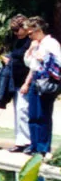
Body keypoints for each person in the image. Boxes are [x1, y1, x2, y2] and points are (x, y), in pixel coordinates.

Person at [20, 16, 61, 156]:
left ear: (38, 30)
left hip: (46, 80)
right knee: (33, 114)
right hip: (36, 79)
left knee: (43, 114)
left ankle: (43, 147)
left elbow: (58, 62)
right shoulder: (36, 44)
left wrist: (43, 58)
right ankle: (34, 144)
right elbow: (29, 64)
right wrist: (31, 50)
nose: (29, 36)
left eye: (30, 33)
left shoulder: (51, 43)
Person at [0, 15, 32, 152]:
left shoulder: (30, 42)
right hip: (15, 80)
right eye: (13, 30)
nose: (15, 33)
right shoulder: (17, 41)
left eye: (17, 30)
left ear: (24, 28)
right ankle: (20, 141)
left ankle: (27, 141)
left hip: (26, 80)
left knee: (23, 110)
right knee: (18, 111)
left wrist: (27, 82)